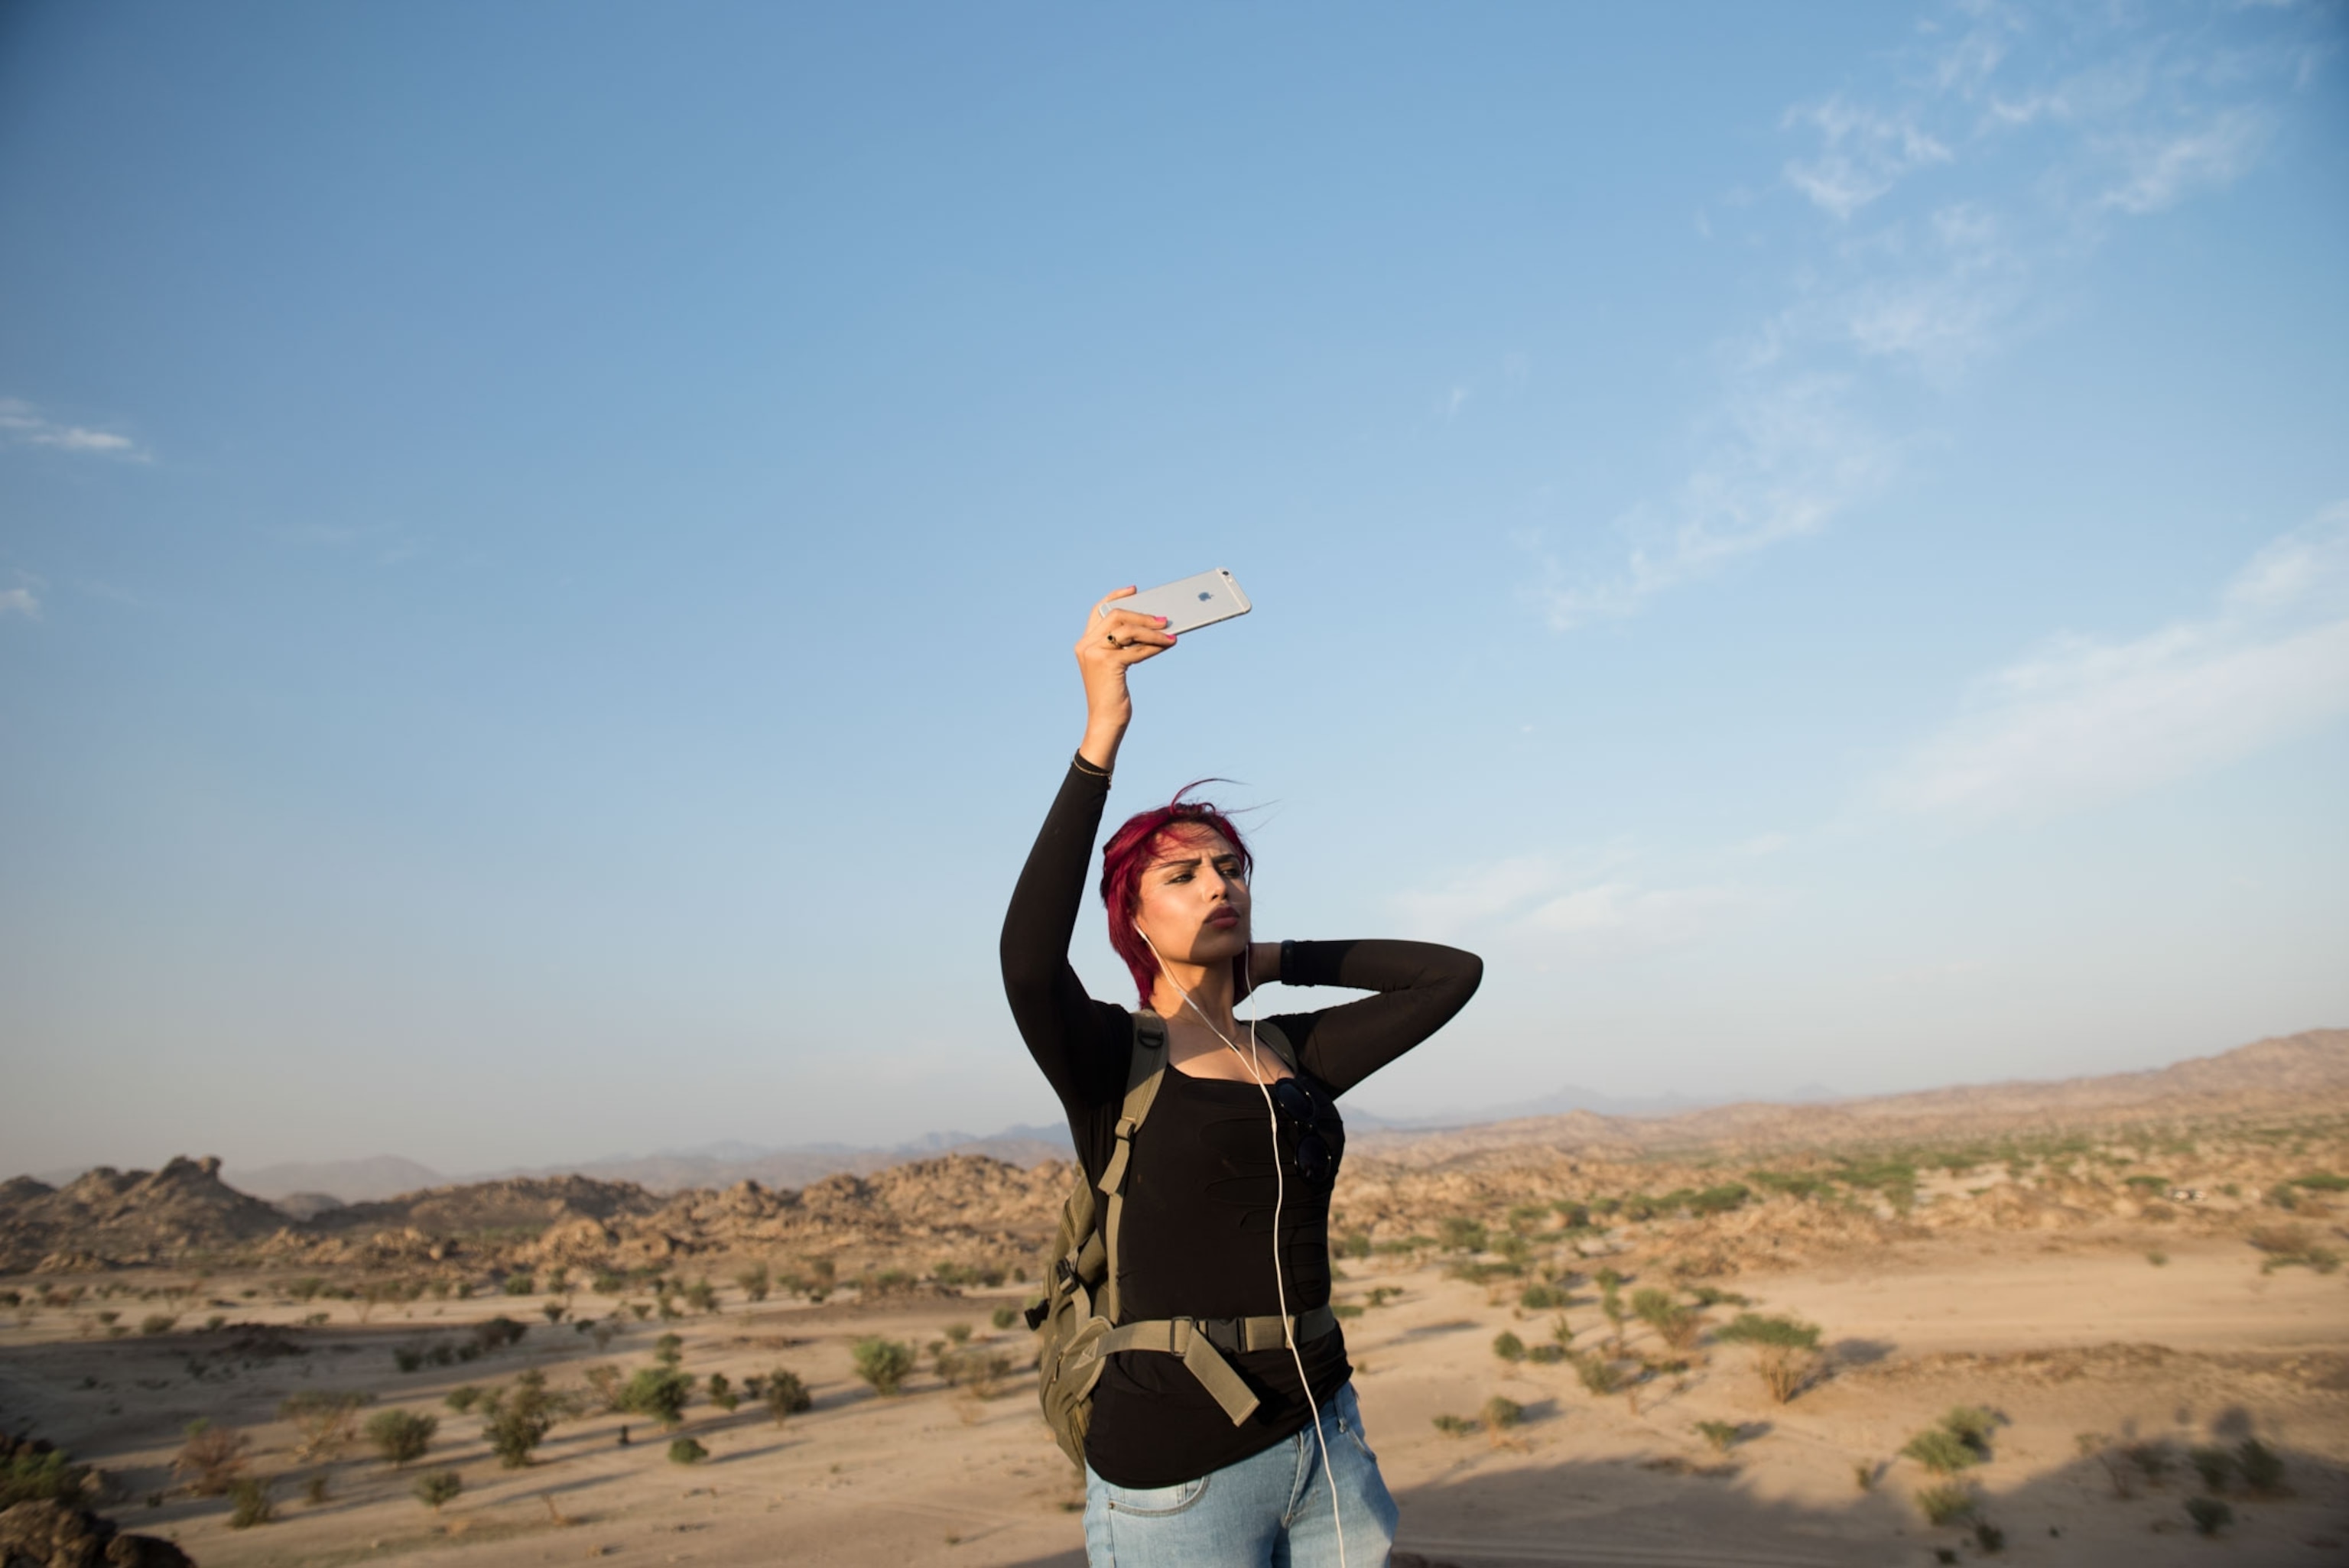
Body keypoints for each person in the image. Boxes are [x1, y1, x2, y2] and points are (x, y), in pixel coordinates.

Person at [1000, 586, 1483, 1567]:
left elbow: (1450, 973)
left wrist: (1271, 958)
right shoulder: (1110, 1059)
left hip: (1327, 1440)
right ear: (1132, 917)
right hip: (1180, 1472)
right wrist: (1102, 732)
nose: (1219, 882)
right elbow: (1023, 958)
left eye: (1231, 866)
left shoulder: (1295, 1053)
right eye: (1181, 875)